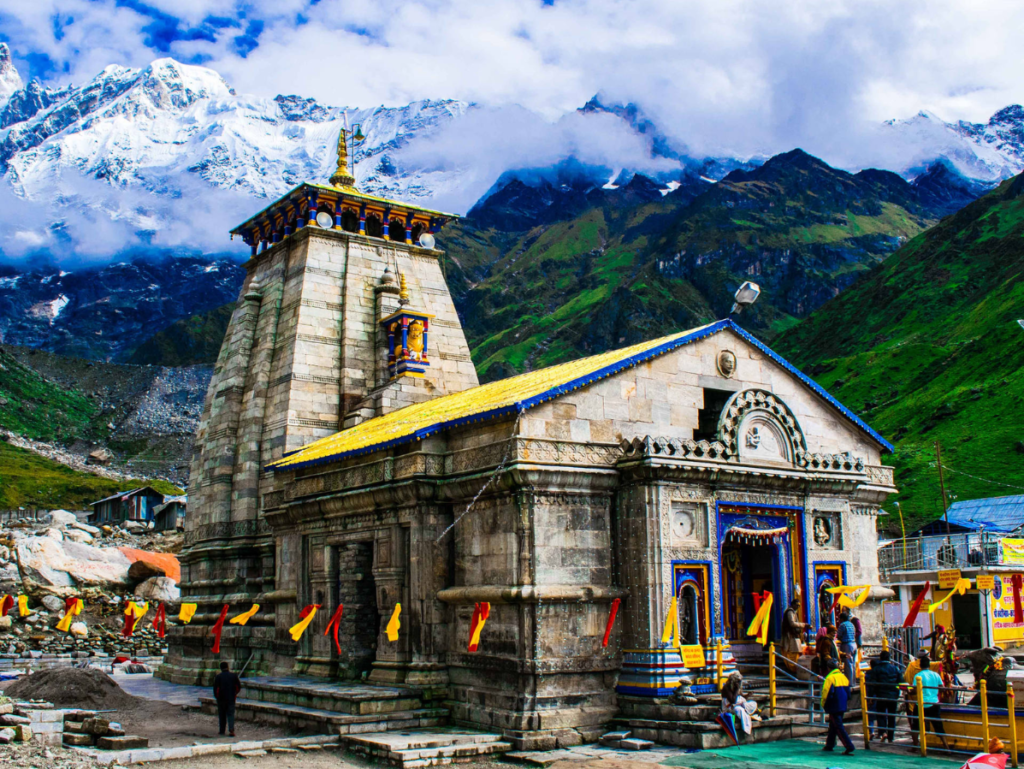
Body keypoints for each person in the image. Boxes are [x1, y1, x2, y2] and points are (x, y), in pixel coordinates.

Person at [865, 650, 901, 743]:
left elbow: (872, 684)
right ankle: (891, 737)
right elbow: (901, 681)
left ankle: (883, 732)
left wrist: (871, 697)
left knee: (881, 715)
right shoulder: (895, 668)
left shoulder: (876, 669)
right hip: (893, 696)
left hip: (880, 695)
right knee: (892, 716)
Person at [913, 658, 948, 749]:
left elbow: (914, 690)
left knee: (916, 726)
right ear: (929, 665)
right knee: (938, 726)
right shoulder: (935, 675)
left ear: (920, 666)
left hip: (921, 704)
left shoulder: (918, 675)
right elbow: (941, 687)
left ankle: (915, 745)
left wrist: (908, 691)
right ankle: (946, 747)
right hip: (934, 703)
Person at [821, 659, 855, 755]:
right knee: (833, 725)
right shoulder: (843, 677)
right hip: (842, 704)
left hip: (833, 705)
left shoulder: (830, 678)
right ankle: (829, 745)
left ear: (829, 668)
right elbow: (848, 693)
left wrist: (823, 704)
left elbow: (826, 693)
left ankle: (849, 746)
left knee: (838, 726)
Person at [213, 661, 241, 737]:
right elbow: (238, 687)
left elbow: (215, 689)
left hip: (221, 699)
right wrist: (235, 694)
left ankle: (222, 730)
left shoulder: (218, 677)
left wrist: (217, 697)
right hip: (231, 698)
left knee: (222, 714)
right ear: (228, 667)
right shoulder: (234, 675)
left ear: (221, 668)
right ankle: (231, 729)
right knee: (231, 714)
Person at [781, 599, 809, 670]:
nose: (798, 607)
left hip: (794, 635)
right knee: (791, 652)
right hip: (789, 635)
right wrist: (804, 625)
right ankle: (791, 668)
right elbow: (792, 623)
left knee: (795, 652)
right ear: (793, 604)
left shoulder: (794, 612)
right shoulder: (790, 612)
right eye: (797, 605)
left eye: (799, 605)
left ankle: (794, 668)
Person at [836, 612, 857, 680]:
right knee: (853, 664)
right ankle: (853, 681)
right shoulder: (851, 624)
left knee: (848, 664)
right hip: (854, 644)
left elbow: (839, 635)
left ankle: (849, 683)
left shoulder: (842, 625)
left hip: (847, 645)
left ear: (841, 619)